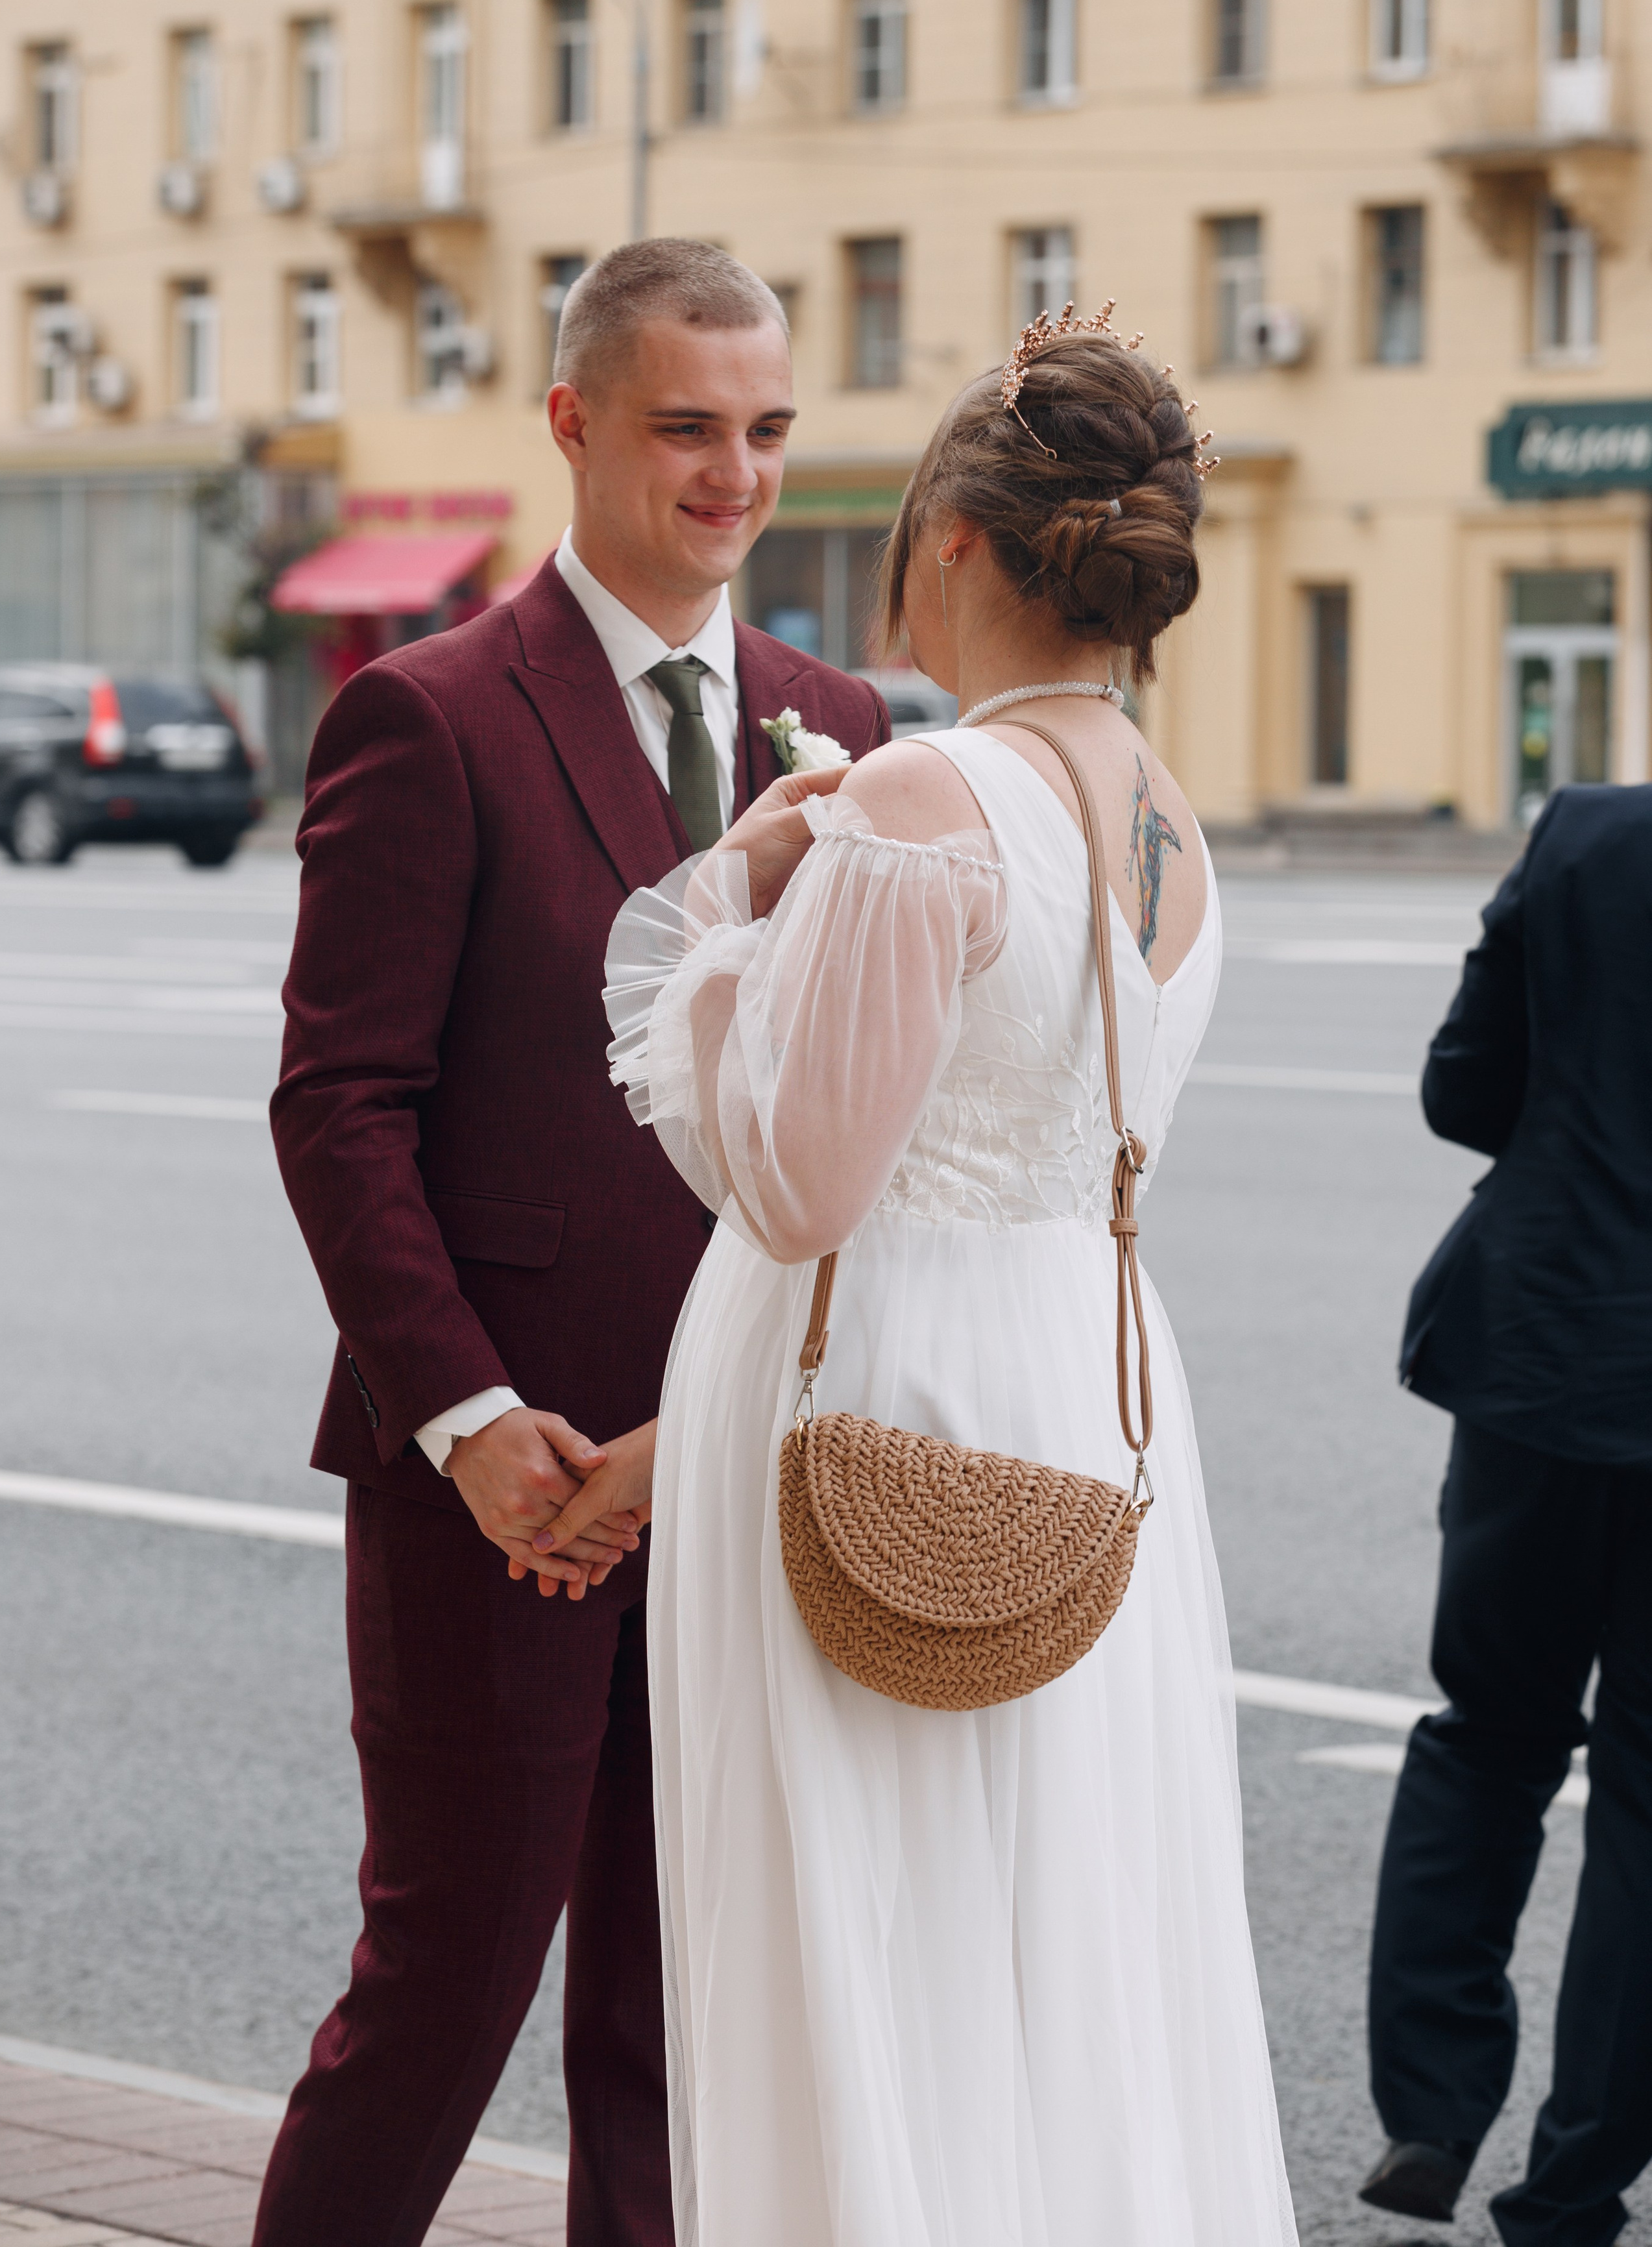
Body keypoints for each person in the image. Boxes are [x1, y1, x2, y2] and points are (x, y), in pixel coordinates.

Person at [544, 316, 1300, 2246]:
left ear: (954, 541)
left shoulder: (919, 801)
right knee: (1059, 1939)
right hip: (1078, 1382)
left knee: (857, 1933)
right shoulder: (1165, 822)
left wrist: (729, 909)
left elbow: (798, 1184)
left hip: (874, 1398)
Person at [253, 240, 890, 2247]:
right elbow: (339, 1107)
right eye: (688, 427)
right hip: (504, 1496)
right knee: (444, 1992)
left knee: (683, 2013)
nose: (736, 473)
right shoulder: (428, 719)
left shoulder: (838, 722)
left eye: (768, 430)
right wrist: (471, 1421)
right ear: (575, 424)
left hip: (732, 1478)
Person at [1361, 783, 1652, 2246]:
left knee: (1485, 1734)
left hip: (1541, 1347)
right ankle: (1571, 2189)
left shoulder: (1590, 835)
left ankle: (1427, 2108)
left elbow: (1459, 1091)